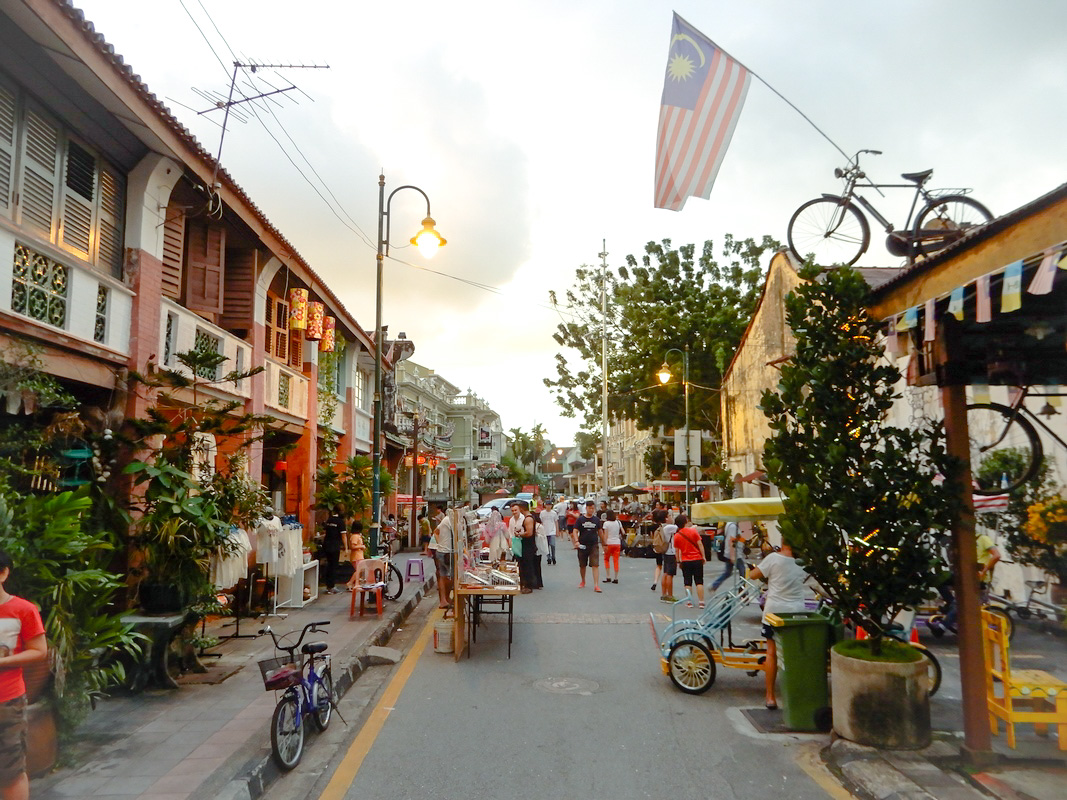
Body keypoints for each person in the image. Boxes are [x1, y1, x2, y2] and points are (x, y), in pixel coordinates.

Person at [0, 550, 47, 800]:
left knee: (10, 768)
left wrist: (3, 662)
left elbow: (39, 651)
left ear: (4, 573)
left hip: (6, 700)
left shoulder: (23, 610)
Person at [748, 539, 808, 710]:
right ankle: (795, 695)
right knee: (793, 654)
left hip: (774, 612)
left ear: (783, 542)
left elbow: (753, 575)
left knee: (771, 652)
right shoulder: (802, 562)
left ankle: (770, 697)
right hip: (796, 613)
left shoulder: (773, 558)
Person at [673, 514, 706, 609]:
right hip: (697, 559)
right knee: (699, 581)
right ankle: (701, 602)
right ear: (685, 522)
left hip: (685, 560)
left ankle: (689, 601)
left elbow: (677, 550)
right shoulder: (693, 531)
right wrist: (703, 556)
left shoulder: (677, 536)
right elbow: (700, 544)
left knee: (687, 582)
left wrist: (678, 561)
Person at [572, 500, 604, 592]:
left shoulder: (596, 520)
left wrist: (604, 543)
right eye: (590, 508)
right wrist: (576, 541)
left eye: (593, 508)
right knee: (582, 565)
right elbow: (575, 531)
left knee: (595, 565)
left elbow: (600, 532)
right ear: (586, 508)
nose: (591, 510)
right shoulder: (580, 519)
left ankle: (596, 585)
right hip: (582, 544)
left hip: (594, 544)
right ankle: (583, 581)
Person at [710, 520, 746, 591]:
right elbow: (731, 541)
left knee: (728, 572)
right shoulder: (733, 526)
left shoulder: (731, 525)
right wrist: (732, 555)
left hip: (731, 553)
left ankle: (714, 585)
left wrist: (742, 540)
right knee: (742, 572)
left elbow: (734, 539)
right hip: (735, 554)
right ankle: (742, 592)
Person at [513, 501, 538, 593]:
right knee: (525, 565)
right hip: (526, 545)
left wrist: (520, 534)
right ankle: (526, 584)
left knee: (528, 566)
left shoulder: (528, 519)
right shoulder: (528, 518)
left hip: (528, 545)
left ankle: (528, 585)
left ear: (522, 509)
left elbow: (529, 532)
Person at [432, 506, 454, 610]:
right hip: (445, 552)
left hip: (444, 551)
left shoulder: (446, 520)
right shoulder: (449, 521)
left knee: (444, 576)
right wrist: (441, 544)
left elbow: (436, 531)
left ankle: (444, 599)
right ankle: (444, 600)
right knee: (448, 576)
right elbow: (436, 532)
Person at [320, 512, 345, 594]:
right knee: (334, 565)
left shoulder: (329, 520)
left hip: (327, 545)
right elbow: (343, 535)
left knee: (329, 565)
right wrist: (346, 547)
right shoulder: (340, 522)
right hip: (335, 546)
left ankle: (328, 585)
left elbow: (325, 532)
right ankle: (332, 586)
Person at [649, 500, 669, 591]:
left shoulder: (653, 526)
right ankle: (665, 585)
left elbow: (651, 536)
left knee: (659, 565)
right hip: (666, 547)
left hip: (657, 547)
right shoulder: (666, 527)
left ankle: (655, 581)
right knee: (666, 567)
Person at [660, 518, 679, 602]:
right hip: (671, 552)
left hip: (666, 551)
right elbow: (682, 528)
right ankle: (670, 596)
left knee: (665, 573)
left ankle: (664, 594)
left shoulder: (662, 527)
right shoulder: (669, 527)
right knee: (670, 574)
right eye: (668, 516)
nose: (671, 518)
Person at [601, 510, 623, 584]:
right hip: (617, 543)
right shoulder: (618, 522)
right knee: (616, 560)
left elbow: (605, 535)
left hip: (609, 543)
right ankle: (616, 578)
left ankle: (608, 576)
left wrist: (604, 544)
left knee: (606, 559)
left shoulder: (606, 523)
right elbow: (623, 532)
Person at [344, 522, 367, 591]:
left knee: (360, 570)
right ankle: (350, 583)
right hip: (357, 556)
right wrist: (361, 546)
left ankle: (355, 583)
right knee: (358, 570)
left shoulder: (356, 536)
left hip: (359, 556)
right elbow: (353, 546)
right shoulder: (355, 536)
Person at [539, 499, 559, 565]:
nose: (548, 506)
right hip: (544, 531)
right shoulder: (542, 513)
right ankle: (548, 557)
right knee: (546, 546)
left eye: (549, 505)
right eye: (547, 505)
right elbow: (541, 522)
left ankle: (553, 557)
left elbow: (556, 522)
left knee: (552, 545)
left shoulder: (554, 513)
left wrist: (557, 531)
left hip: (552, 531)